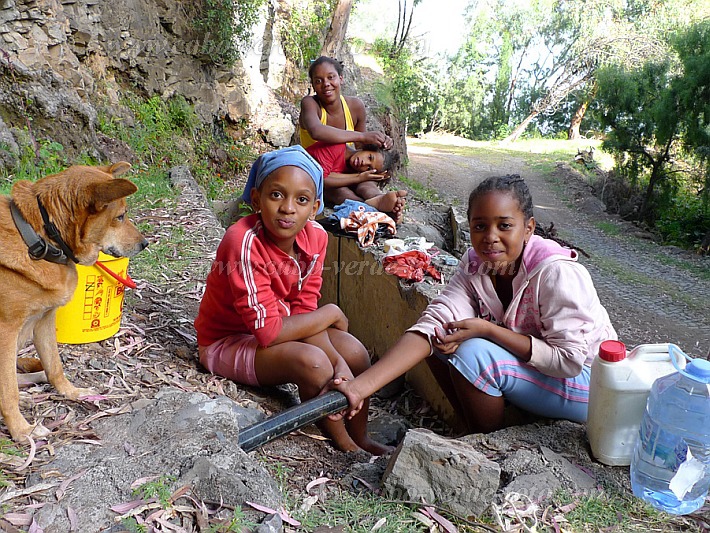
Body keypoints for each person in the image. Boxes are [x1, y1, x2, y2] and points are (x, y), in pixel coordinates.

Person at [331, 175, 617, 434]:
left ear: (528, 228)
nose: (491, 237)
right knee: (439, 339)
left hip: (591, 385)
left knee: (473, 353)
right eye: (480, 226)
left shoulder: (555, 273)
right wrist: (359, 387)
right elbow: (435, 320)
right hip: (543, 371)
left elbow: (568, 361)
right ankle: (466, 427)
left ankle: (485, 441)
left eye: (504, 225)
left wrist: (488, 331)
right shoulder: (476, 265)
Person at [194, 145, 390, 455]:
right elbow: (268, 333)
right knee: (311, 363)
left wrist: (339, 361)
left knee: (354, 353)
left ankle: (361, 436)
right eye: (276, 195)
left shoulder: (316, 237)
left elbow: (304, 309)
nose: (288, 208)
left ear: (315, 208)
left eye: (301, 200)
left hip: (281, 324)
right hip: (229, 341)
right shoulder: (243, 242)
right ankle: (345, 444)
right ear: (257, 199)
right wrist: (332, 313)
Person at [299, 56, 393, 151]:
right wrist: (363, 136)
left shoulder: (355, 107)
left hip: (341, 165)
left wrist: (382, 142)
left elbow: (360, 147)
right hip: (310, 165)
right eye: (318, 81)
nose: (326, 84)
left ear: (341, 79)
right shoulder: (310, 104)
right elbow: (316, 131)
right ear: (313, 86)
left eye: (331, 77)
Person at [306, 141, 406, 223]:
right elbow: (322, 178)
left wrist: (364, 178)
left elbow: (363, 181)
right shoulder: (336, 147)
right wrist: (359, 177)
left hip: (326, 181)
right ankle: (374, 209)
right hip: (308, 180)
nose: (364, 163)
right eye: (369, 157)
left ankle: (378, 198)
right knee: (340, 190)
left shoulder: (357, 168)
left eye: (369, 168)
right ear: (366, 148)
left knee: (366, 183)